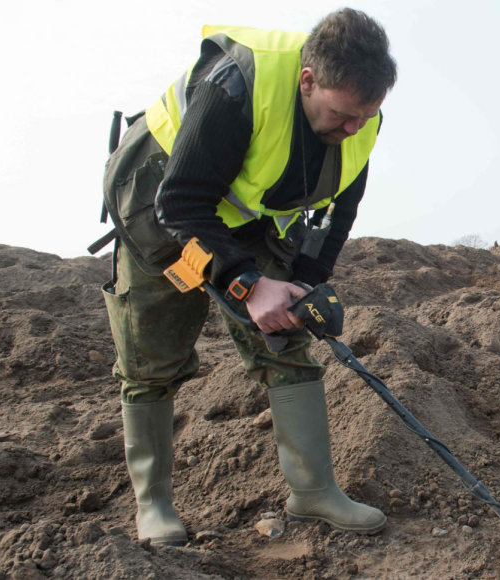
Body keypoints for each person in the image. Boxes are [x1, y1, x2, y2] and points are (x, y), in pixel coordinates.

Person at [99, 9, 397, 546]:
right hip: (162, 209)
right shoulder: (236, 83)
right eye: (342, 114)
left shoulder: (362, 118)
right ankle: (154, 506)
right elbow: (182, 200)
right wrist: (250, 285)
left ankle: (312, 491)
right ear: (308, 80)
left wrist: (305, 282)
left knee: (287, 339)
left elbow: (341, 212)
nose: (353, 128)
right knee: (151, 357)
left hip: (248, 219)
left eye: (365, 115)